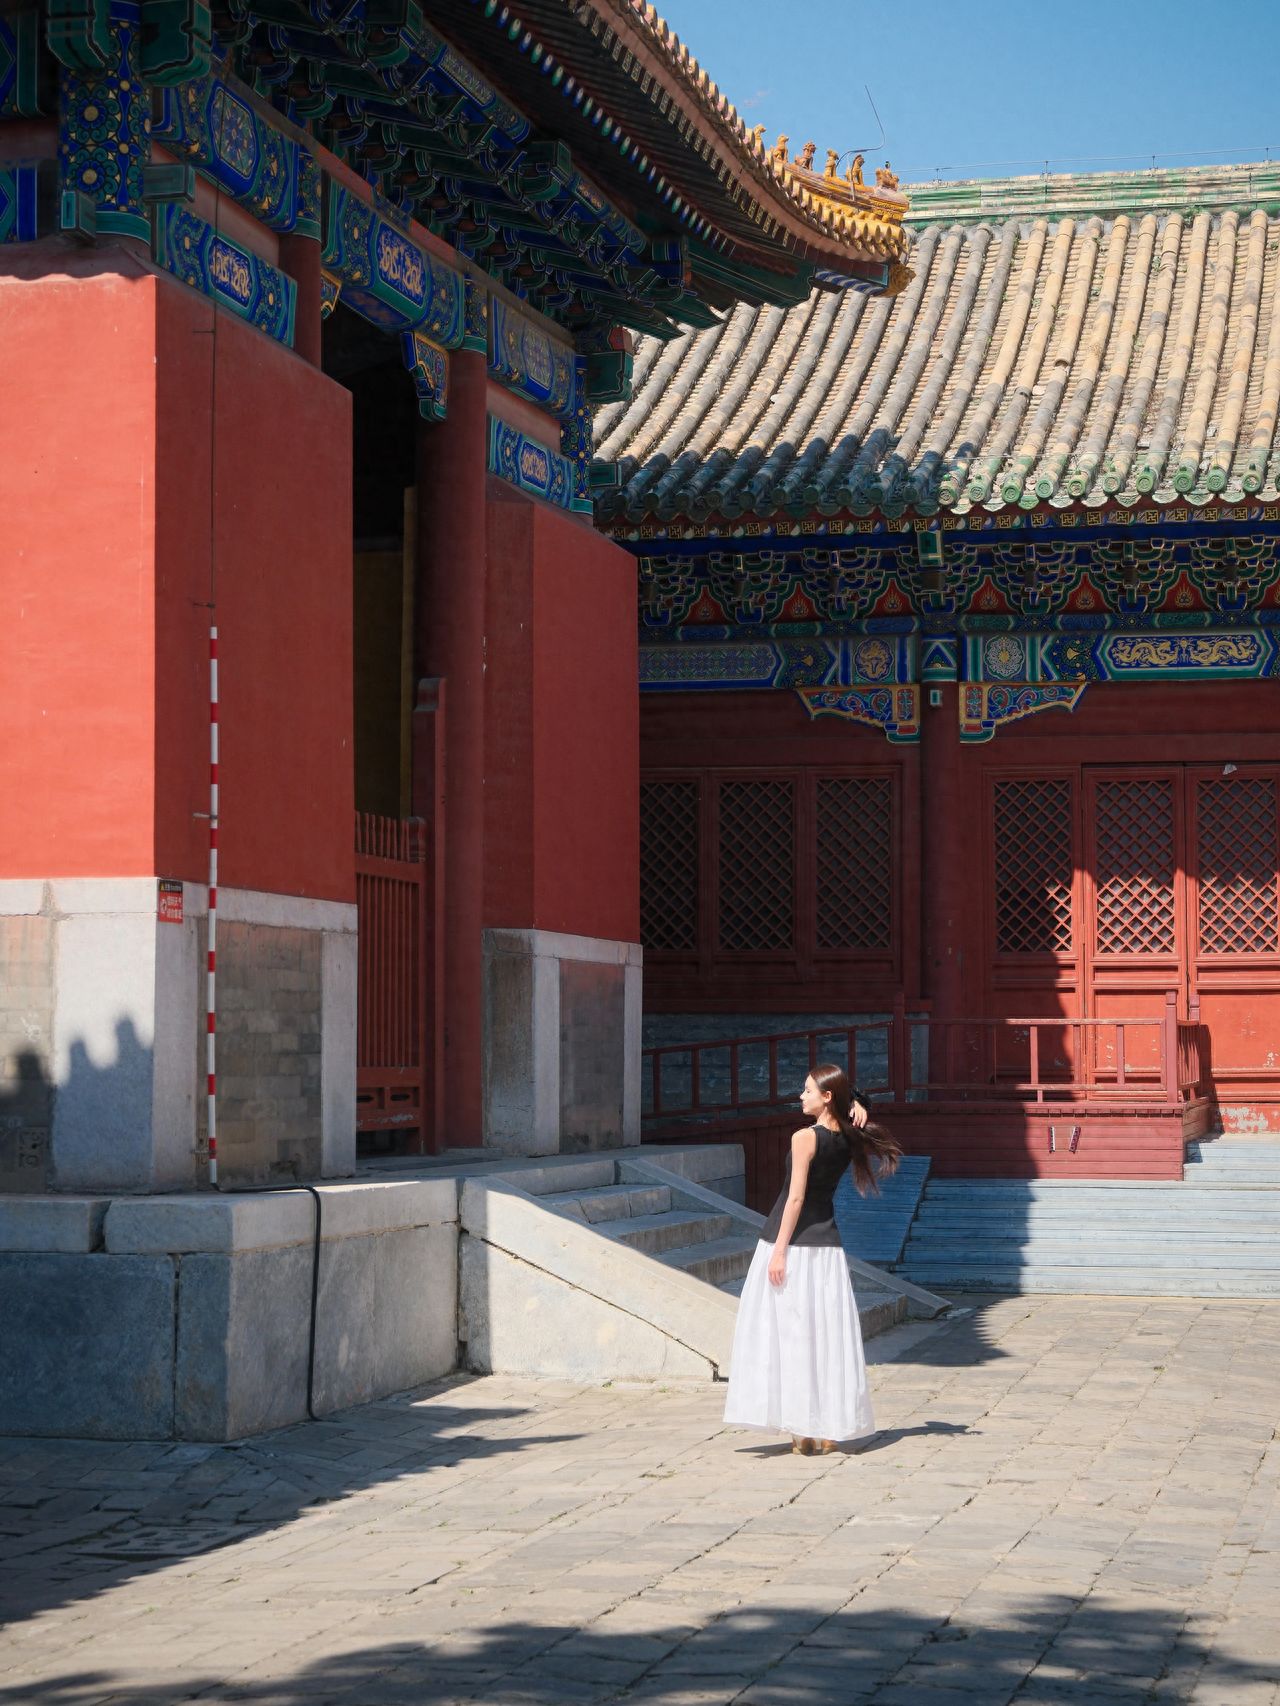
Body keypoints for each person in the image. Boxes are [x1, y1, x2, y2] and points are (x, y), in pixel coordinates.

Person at [723, 1063, 902, 1454]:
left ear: (826, 1098)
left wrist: (780, 1252)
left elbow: (796, 1198)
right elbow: (854, 1108)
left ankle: (802, 1428)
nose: (799, 1097)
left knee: (786, 1338)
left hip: (791, 1245)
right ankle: (821, 1427)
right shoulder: (850, 1137)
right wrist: (858, 1103)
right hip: (827, 1251)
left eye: (807, 1091)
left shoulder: (804, 1137)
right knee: (823, 1340)